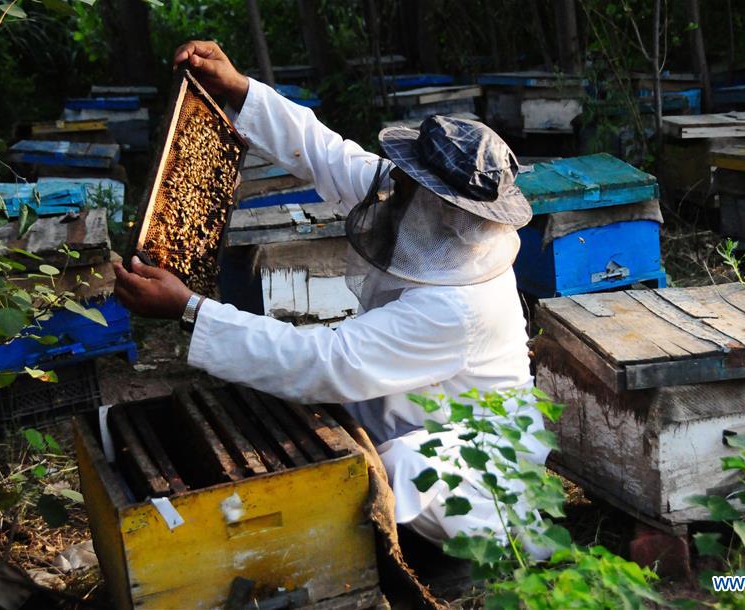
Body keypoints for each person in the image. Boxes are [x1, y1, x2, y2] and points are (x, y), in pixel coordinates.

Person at [113, 40, 550, 550]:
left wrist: (189, 308)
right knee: (314, 419)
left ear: (442, 207)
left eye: (411, 182)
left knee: (401, 469)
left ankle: (450, 557)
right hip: (413, 406)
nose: (395, 183)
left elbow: (329, 360)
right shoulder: (420, 205)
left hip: (482, 462)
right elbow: (327, 153)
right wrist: (239, 88)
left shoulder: (460, 306)